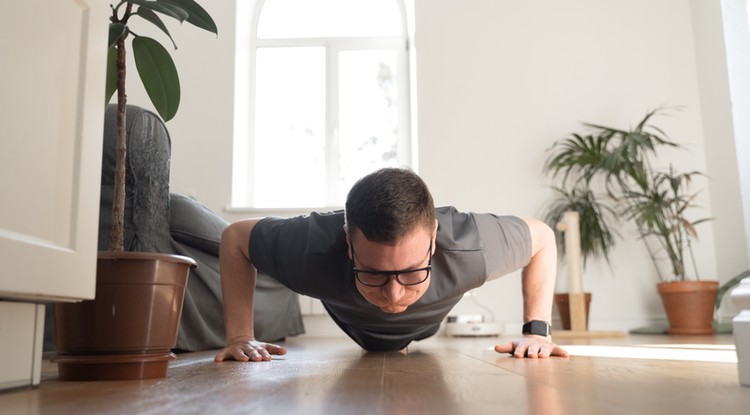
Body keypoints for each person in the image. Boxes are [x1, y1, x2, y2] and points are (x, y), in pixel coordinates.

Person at [214, 168, 569, 362]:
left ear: (434, 239)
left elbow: (542, 238)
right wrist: (240, 336)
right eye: (374, 274)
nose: (394, 295)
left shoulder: (471, 246)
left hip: (428, 323)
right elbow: (235, 239)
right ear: (348, 243)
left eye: (413, 272)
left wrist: (537, 331)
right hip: (353, 323)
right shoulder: (310, 247)